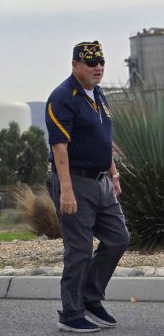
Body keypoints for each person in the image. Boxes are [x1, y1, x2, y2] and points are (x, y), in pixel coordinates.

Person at [45, 41, 129, 333]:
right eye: (91, 63)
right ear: (75, 65)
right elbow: (59, 146)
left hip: (102, 181)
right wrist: (66, 190)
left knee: (119, 238)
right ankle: (70, 313)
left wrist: (114, 174)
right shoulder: (62, 97)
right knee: (79, 251)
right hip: (75, 182)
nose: (98, 67)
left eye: (101, 62)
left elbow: (103, 139)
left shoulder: (99, 95)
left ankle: (91, 297)